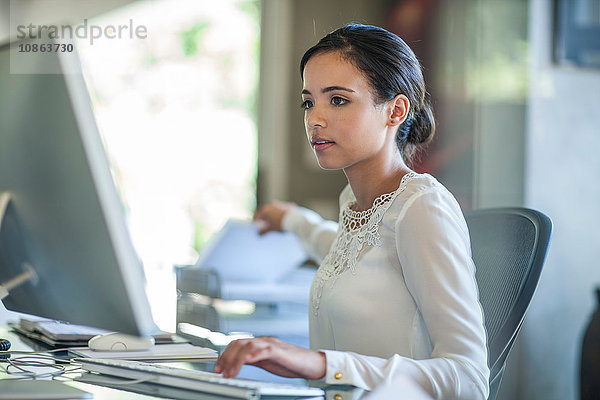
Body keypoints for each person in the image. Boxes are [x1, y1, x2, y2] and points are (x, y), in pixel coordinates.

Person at [214, 24, 490, 399]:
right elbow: (354, 254)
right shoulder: (356, 200)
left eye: (338, 100)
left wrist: (322, 364)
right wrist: (292, 220)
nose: (315, 119)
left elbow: (468, 379)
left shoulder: (422, 207)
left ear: (395, 110)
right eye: (309, 101)